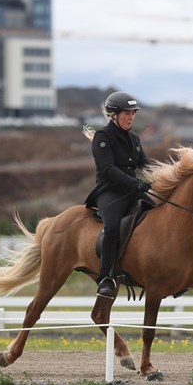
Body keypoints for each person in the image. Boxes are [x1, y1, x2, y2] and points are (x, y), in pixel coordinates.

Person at [84, 91, 151, 298]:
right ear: (114, 114)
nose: (131, 117)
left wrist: (167, 178)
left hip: (132, 191)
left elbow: (145, 166)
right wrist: (136, 184)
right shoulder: (102, 137)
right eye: (127, 113)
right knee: (112, 227)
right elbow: (109, 170)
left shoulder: (134, 139)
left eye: (133, 113)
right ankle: (106, 277)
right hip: (109, 192)